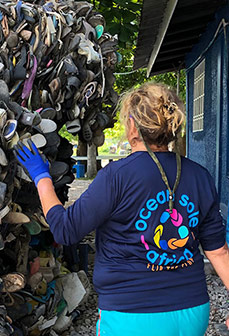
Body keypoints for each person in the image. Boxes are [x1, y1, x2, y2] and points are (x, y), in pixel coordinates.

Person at [15, 82, 229, 336]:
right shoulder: (200, 175)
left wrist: (41, 176)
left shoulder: (117, 176)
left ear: (132, 125)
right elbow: (219, 251)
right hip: (192, 312)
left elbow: (65, 230)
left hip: (132, 315)